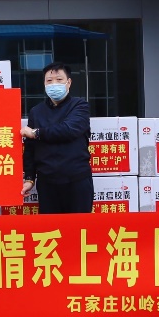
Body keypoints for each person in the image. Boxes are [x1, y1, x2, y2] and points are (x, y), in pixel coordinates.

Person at [21, 62, 94, 214]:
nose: (54, 84)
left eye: (59, 80)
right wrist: (29, 178)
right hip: (47, 183)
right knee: (51, 227)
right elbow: (30, 148)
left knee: (80, 226)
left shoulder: (80, 106)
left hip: (77, 180)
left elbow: (68, 130)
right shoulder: (36, 111)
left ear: (69, 82)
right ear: (44, 84)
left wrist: (36, 133)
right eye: (49, 81)